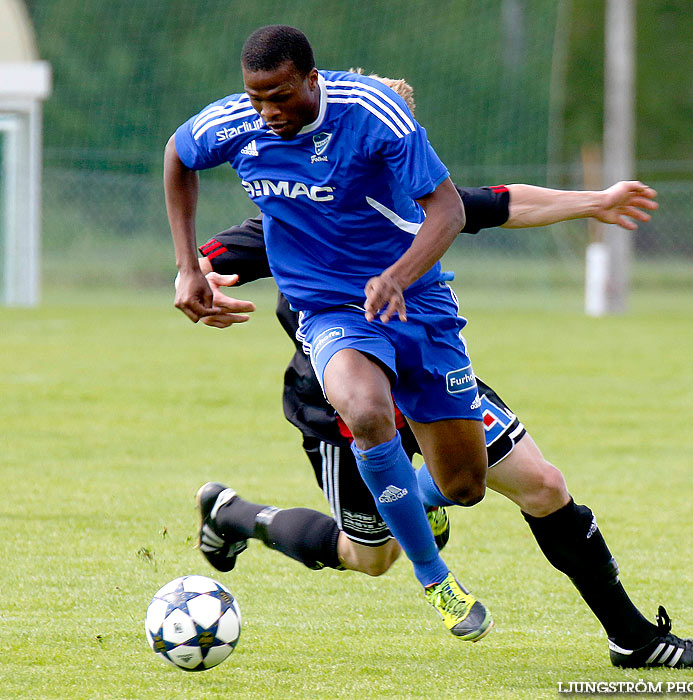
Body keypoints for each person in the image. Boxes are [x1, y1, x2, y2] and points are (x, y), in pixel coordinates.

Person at [185, 76, 693, 664]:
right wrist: (201, 281)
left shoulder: (419, 194)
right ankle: (234, 515)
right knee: (370, 555)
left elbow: (506, 202)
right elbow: (207, 263)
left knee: (543, 486)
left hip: (428, 367)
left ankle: (634, 638)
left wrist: (595, 201)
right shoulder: (293, 214)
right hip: (342, 401)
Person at [166, 24, 504, 643]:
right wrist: (190, 267)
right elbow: (178, 155)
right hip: (328, 312)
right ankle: (438, 580)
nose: (268, 112)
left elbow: (451, 210)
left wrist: (397, 276)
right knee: (366, 408)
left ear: (312, 80)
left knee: (464, 485)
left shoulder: (374, 116)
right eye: (256, 96)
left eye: (281, 95)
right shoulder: (236, 124)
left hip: (417, 304)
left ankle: (410, 496)